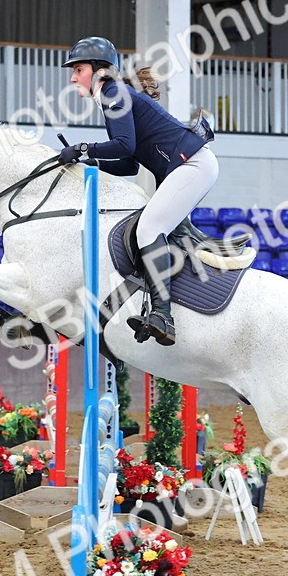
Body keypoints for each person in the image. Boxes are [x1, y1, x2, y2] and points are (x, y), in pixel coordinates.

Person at [59, 35, 217, 347]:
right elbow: (129, 164)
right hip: (188, 166)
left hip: (193, 164)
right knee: (153, 230)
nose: (73, 76)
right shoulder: (114, 96)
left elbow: (123, 146)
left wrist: (80, 148)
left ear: (100, 70)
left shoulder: (113, 92)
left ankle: (162, 316)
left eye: (78, 69)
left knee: (148, 228)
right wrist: (89, 163)